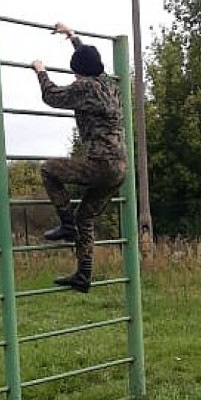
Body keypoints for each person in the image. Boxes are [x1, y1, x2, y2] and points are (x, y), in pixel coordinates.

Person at [29, 21, 127, 293]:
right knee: (88, 217)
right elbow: (89, 58)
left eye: (75, 74)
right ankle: (83, 275)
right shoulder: (108, 83)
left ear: (80, 74)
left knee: (48, 170)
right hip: (119, 168)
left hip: (100, 164)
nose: (75, 78)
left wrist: (41, 71)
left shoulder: (85, 88)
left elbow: (52, 96)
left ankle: (65, 223)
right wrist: (72, 36)